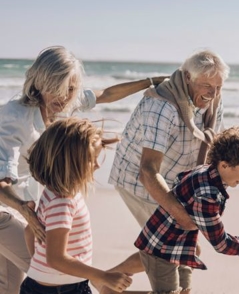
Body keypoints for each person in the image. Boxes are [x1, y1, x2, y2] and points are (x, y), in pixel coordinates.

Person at [0, 45, 166, 294]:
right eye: (57, 88)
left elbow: (106, 94)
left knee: (9, 285)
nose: (64, 97)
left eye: (70, 89)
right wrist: (24, 208)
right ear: (40, 81)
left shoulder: (62, 101)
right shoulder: (14, 118)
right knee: (51, 273)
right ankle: (102, 285)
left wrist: (150, 82)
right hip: (7, 207)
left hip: (27, 207)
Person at [108, 49, 229, 293]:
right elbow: (148, 171)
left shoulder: (213, 99)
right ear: (186, 77)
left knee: (183, 247)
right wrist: (179, 213)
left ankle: (109, 279)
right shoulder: (161, 106)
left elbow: (215, 148)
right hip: (139, 181)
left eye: (217, 86)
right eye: (206, 85)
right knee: (170, 247)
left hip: (176, 179)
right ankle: (109, 280)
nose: (212, 93)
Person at [135, 126, 239, 293]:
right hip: (161, 249)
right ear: (224, 165)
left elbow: (179, 181)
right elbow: (221, 244)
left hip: (182, 247)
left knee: (185, 290)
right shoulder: (207, 195)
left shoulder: (206, 171)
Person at [20, 117, 132, 294]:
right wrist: (102, 277)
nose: (97, 165)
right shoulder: (63, 202)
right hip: (61, 290)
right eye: (90, 159)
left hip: (44, 286)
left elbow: (29, 231)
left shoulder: (51, 192)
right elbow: (56, 259)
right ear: (68, 162)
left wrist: (39, 267)